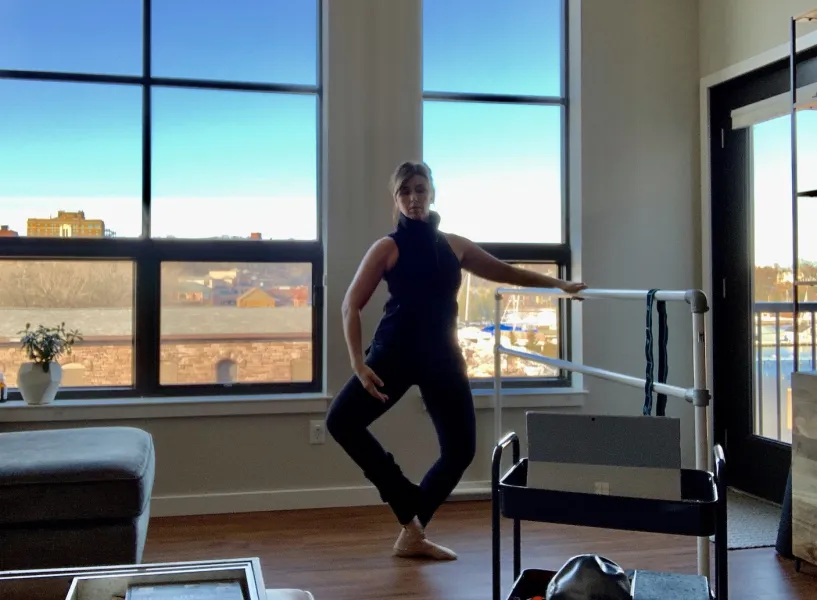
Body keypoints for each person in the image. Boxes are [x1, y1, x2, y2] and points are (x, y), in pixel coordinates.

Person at [325, 161, 587, 561]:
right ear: (396, 199)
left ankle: (413, 532)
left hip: (442, 357)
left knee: (461, 450)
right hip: (393, 353)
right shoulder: (387, 247)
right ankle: (404, 498)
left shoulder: (453, 245)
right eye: (405, 192)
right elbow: (350, 305)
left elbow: (505, 272)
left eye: (421, 189)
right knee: (341, 421)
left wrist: (559, 284)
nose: (414, 198)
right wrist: (358, 364)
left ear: (432, 192)